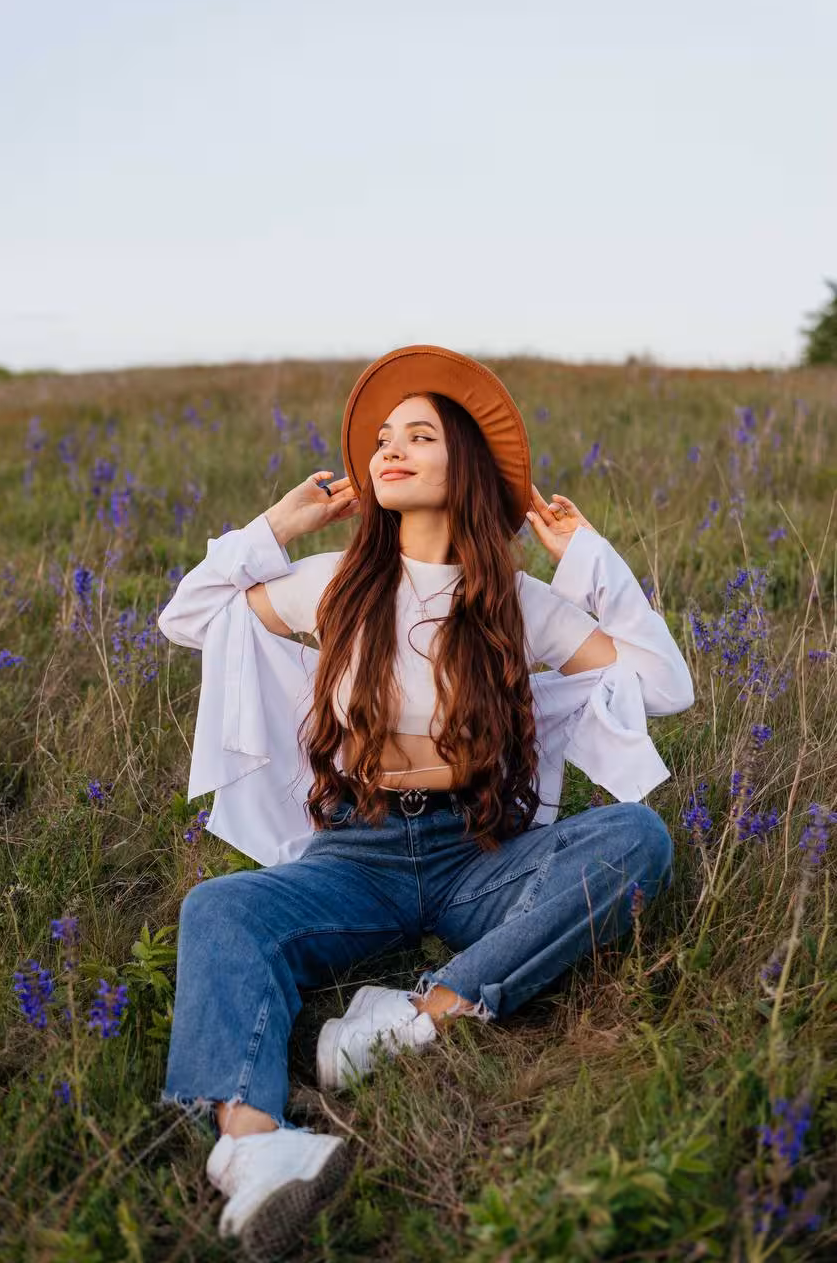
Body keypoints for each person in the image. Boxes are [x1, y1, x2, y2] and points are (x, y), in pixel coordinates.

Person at [157, 344, 694, 1260]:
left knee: (636, 839)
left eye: (420, 435)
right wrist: (275, 527)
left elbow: (661, 685)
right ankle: (254, 1150)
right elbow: (188, 619)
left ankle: (414, 1019)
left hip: (477, 851)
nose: (388, 451)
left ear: (467, 467)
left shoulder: (521, 605)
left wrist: (591, 560)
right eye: (383, 440)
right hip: (354, 851)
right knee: (220, 909)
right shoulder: (333, 583)